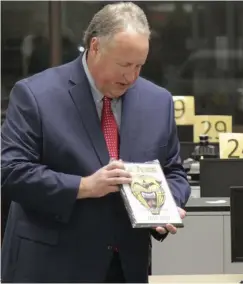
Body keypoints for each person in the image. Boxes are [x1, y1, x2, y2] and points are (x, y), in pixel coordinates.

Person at [1, 2, 190, 283]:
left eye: (139, 65)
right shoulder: (35, 95)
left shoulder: (158, 101)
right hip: (51, 266)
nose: (131, 77)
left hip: (126, 267)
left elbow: (174, 171)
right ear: (95, 47)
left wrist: (165, 206)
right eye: (124, 64)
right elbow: (11, 171)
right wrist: (85, 186)